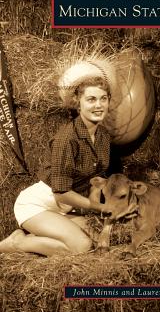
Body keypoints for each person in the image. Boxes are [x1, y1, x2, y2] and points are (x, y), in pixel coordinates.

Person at [0, 75, 114, 256]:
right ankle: (18, 242)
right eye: (91, 99)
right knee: (82, 247)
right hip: (38, 205)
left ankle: (48, 234)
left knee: (98, 237)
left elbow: (96, 181)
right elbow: (61, 194)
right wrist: (97, 207)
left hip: (64, 209)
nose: (98, 105)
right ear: (79, 104)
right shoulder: (67, 138)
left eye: (103, 99)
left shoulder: (103, 137)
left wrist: (100, 210)